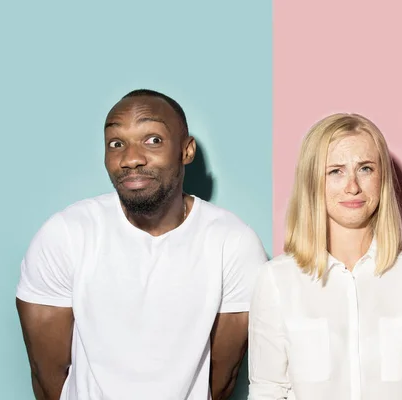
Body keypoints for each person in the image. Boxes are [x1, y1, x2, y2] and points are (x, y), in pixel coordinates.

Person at [16, 89, 268, 400]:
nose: (131, 158)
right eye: (116, 143)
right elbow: (47, 374)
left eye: (153, 140)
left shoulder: (233, 243)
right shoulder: (65, 234)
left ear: (186, 151)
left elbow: (223, 377)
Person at [248, 113, 402, 399]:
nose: (352, 186)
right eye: (335, 171)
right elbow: (267, 391)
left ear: (382, 178)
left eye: (366, 169)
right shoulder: (276, 280)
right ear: (312, 181)